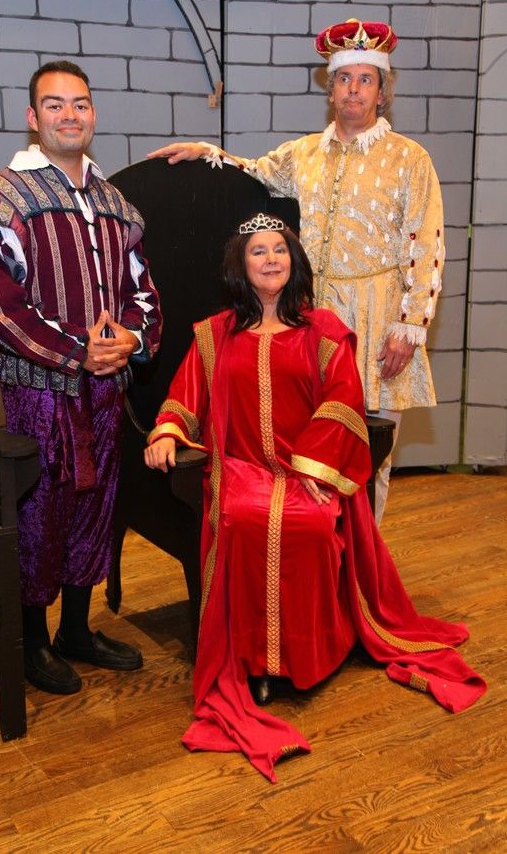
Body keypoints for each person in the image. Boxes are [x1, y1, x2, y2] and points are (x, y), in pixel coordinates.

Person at [144, 213, 484, 783]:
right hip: (242, 470)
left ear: (294, 262)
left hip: (309, 473)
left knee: (302, 524)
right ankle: (253, 661)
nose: (271, 259)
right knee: (248, 520)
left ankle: (313, 655)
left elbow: (343, 402)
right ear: (241, 265)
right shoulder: (214, 334)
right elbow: (185, 396)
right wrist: (165, 432)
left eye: (280, 249)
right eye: (259, 251)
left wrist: (314, 470)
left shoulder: (324, 330)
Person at [147, 18, 445, 522]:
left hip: (378, 320)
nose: (354, 89)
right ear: (330, 90)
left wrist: (409, 328)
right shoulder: (304, 152)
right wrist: (207, 152)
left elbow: (427, 245)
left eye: (365, 79)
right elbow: (254, 169)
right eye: (344, 79)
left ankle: (359, 562)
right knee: (310, 436)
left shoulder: (409, 159)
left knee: (370, 447)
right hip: (309, 317)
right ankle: (311, 544)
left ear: (382, 91)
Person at [0, 61, 162, 696]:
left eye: (80, 104)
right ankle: (32, 641)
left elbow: (142, 290)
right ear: (32, 117)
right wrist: (77, 352)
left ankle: (77, 627)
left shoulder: (115, 205)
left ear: (93, 115)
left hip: (107, 390)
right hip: (39, 392)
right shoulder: (5, 198)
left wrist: (131, 338)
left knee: (96, 505)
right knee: (41, 512)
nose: (69, 115)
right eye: (54, 105)